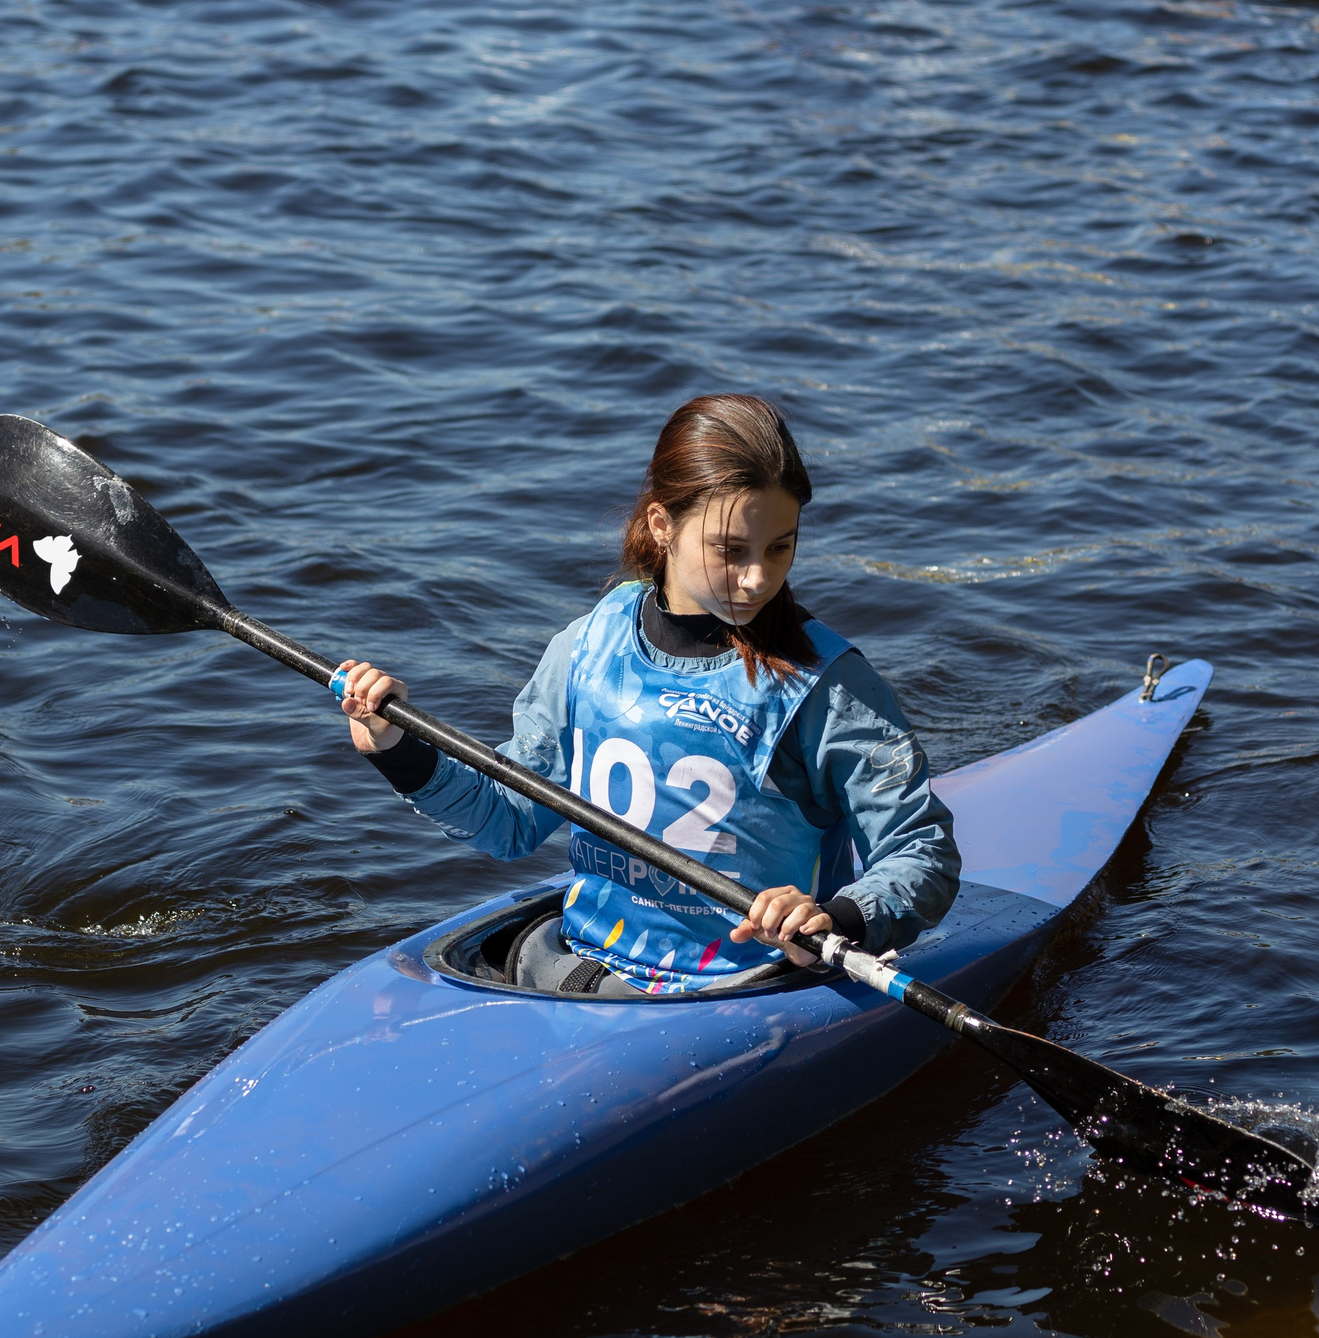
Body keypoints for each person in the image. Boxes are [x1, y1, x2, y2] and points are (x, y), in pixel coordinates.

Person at [336, 393, 960, 997]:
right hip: (584, 970)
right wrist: (398, 749)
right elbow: (509, 821)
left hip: (751, 984)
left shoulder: (826, 684)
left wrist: (837, 918)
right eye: (731, 550)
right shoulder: (588, 646)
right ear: (663, 526)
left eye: (781, 547)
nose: (758, 578)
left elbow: (921, 849)